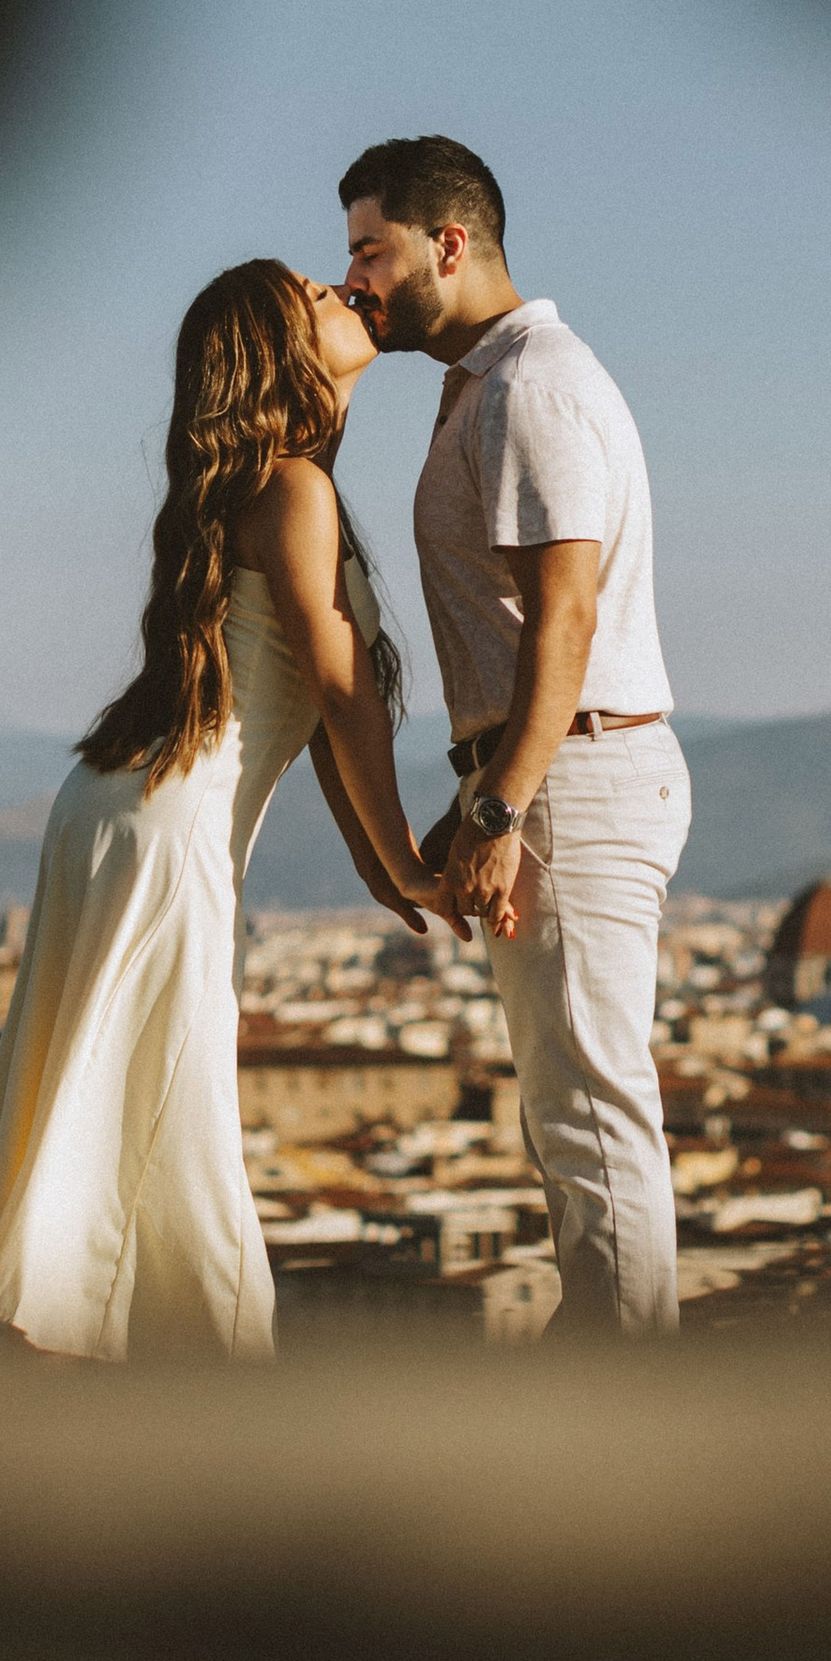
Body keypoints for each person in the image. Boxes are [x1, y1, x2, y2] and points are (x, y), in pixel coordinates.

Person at [0, 259, 458, 1361]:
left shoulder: (270, 485)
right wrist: (405, 857)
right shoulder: (295, 490)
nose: (344, 292)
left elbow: (310, 700)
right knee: (175, 1103)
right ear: (282, 356)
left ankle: (142, 1354)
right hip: (167, 824)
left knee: (127, 1092)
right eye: (317, 295)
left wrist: (380, 862)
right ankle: (222, 1367)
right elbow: (337, 683)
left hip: (120, 805)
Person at [339, 134, 690, 1333]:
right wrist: (482, 788)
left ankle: (626, 1391)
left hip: (573, 775)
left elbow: (568, 612)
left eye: (370, 250)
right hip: (559, 765)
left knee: (591, 1113)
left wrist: (499, 804)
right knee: (570, 1112)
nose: (355, 282)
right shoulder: (491, 381)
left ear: (451, 242)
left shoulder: (530, 383)